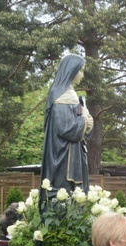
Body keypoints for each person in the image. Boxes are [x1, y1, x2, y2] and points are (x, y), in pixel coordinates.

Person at [41, 54, 93, 203]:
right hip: (62, 155)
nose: (82, 75)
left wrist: (84, 117)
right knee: (64, 192)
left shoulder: (66, 93)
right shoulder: (63, 95)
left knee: (71, 195)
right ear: (72, 70)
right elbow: (67, 128)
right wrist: (85, 116)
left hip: (69, 152)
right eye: (81, 70)